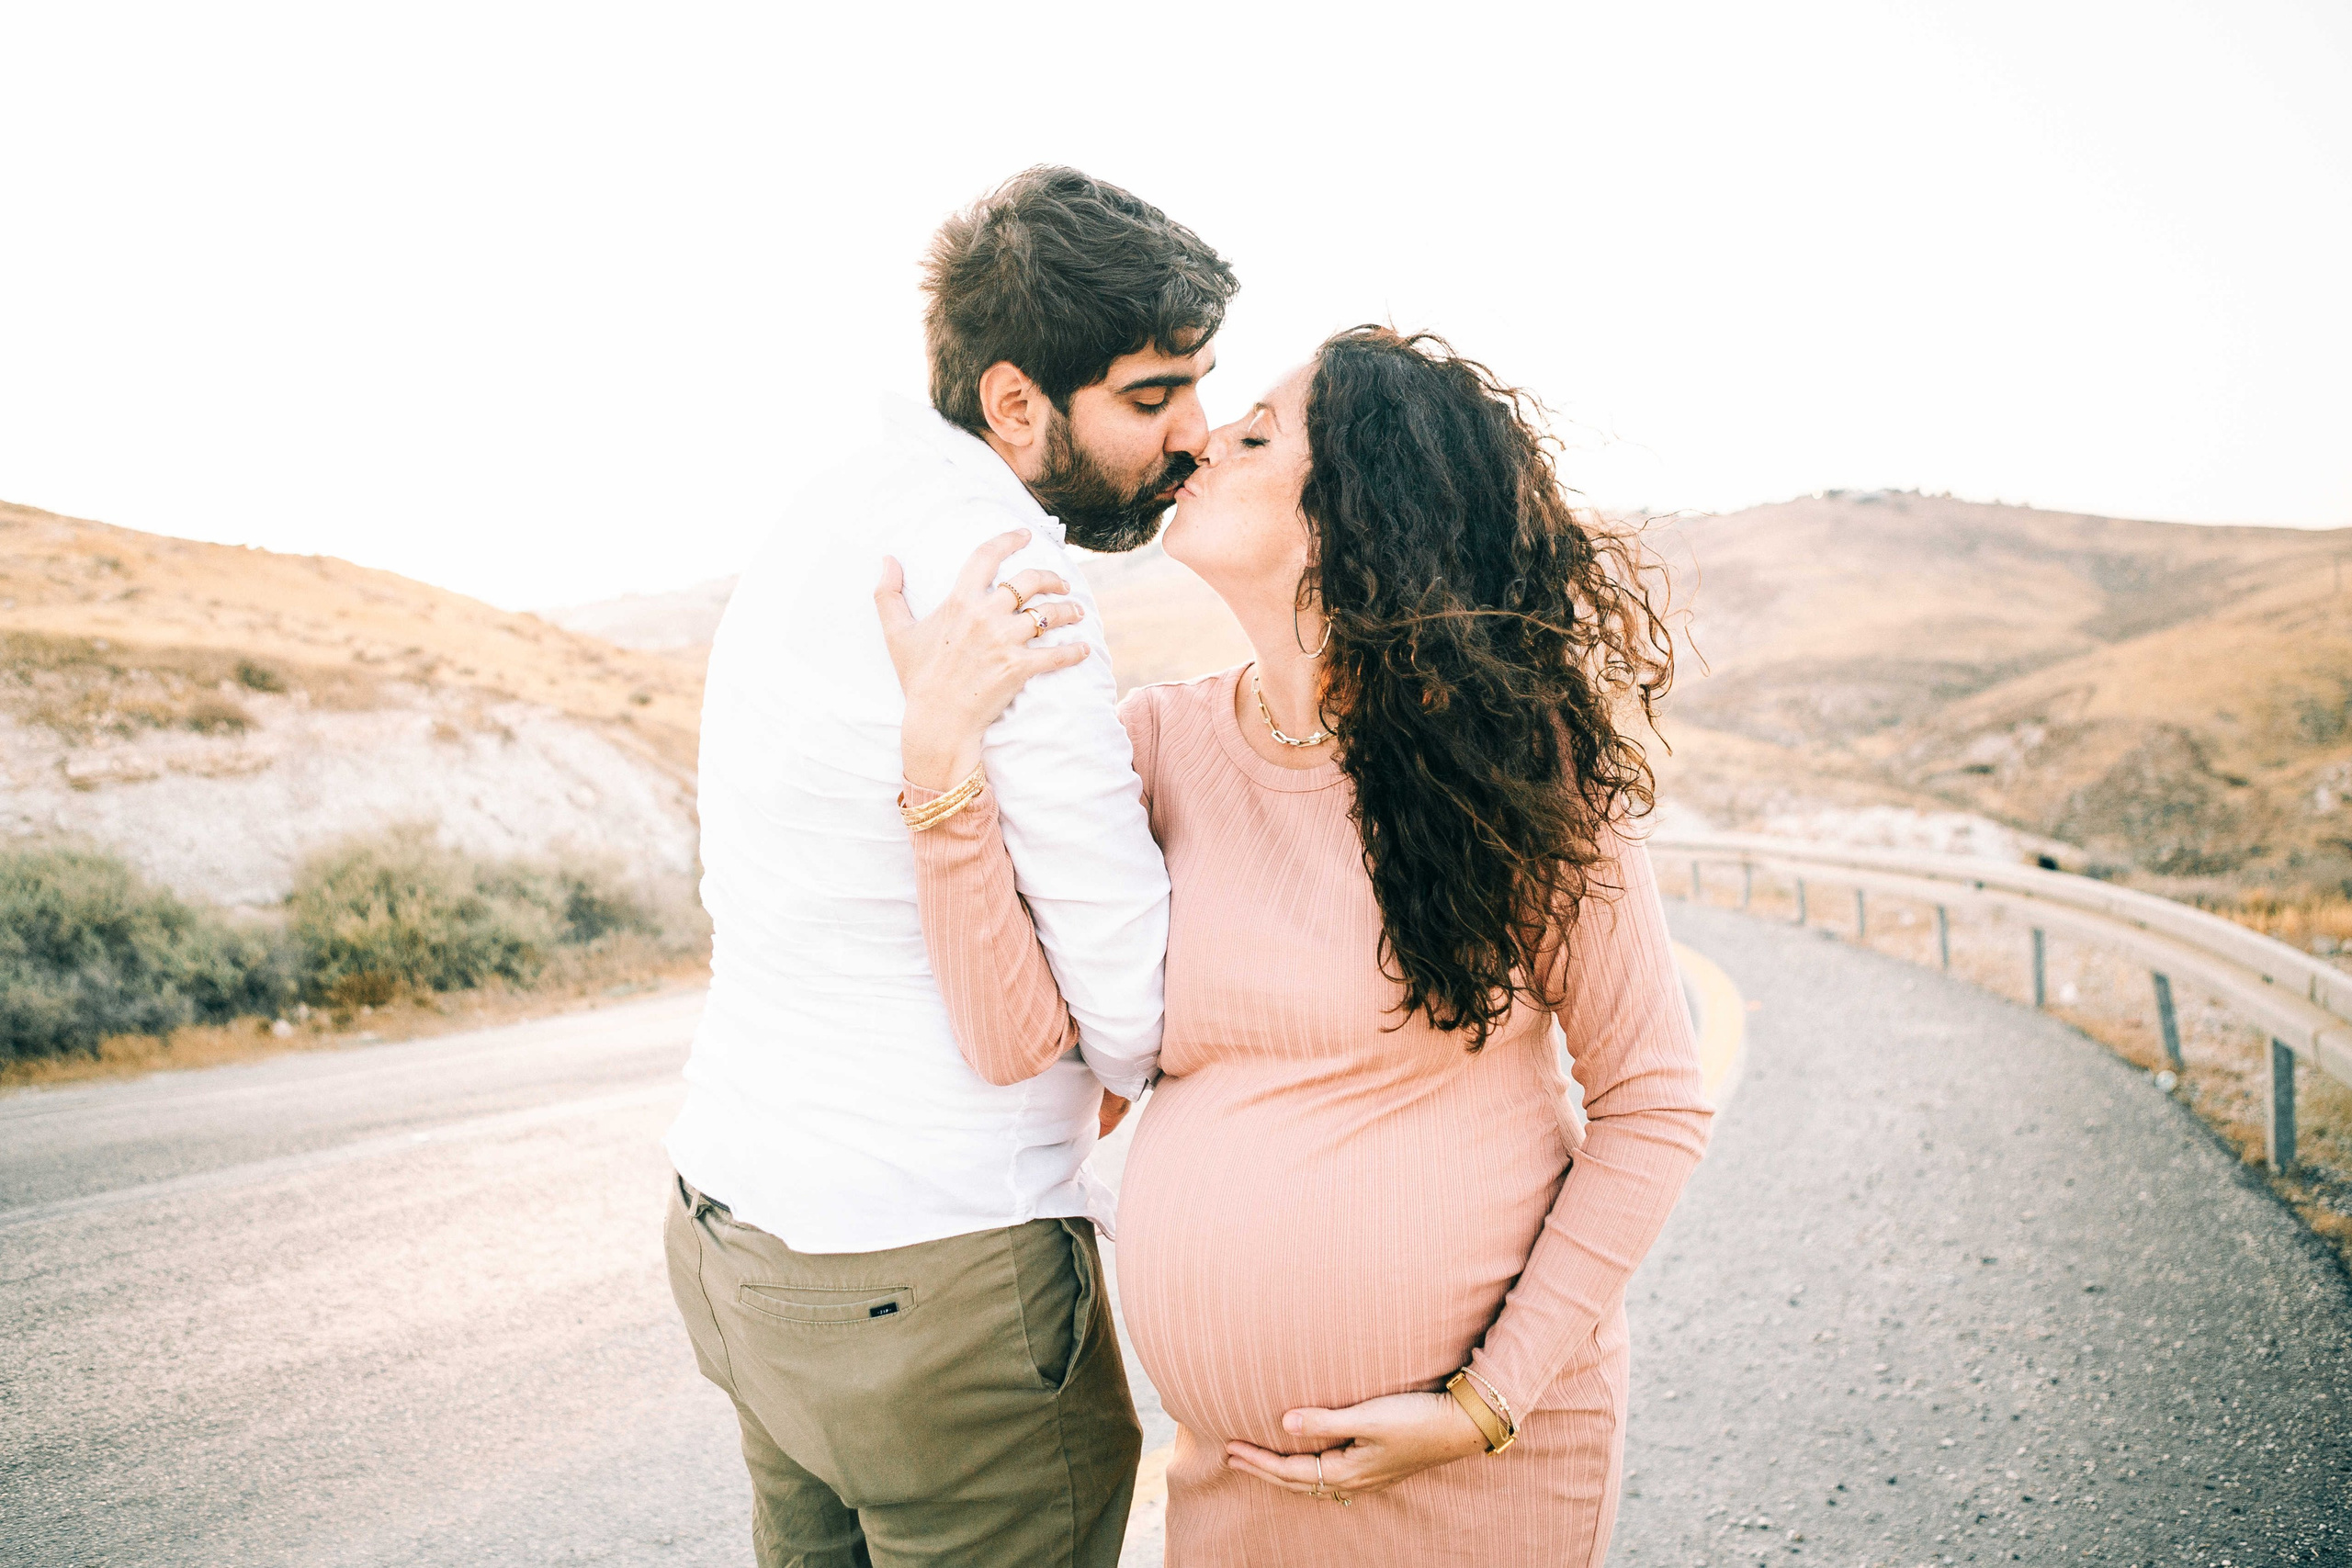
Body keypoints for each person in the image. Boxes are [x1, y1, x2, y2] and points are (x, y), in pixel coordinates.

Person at [878, 326, 1714, 1566]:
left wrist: (1483, 1406)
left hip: (1473, 1471)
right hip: (1232, 1486)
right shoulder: (1158, 745)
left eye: (1259, 433)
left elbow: (1653, 1104)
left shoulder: (1515, 774)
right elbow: (1018, 1041)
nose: (1203, 438)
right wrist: (940, 761)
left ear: (1358, 512)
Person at [662, 166, 1236, 1568]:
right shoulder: (1011, 582)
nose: (1198, 438)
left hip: (733, 1231)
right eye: (1154, 398)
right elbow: (1134, 1010)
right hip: (937, 1279)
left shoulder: (831, 506)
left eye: (1201, 389)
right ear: (1015, 402)